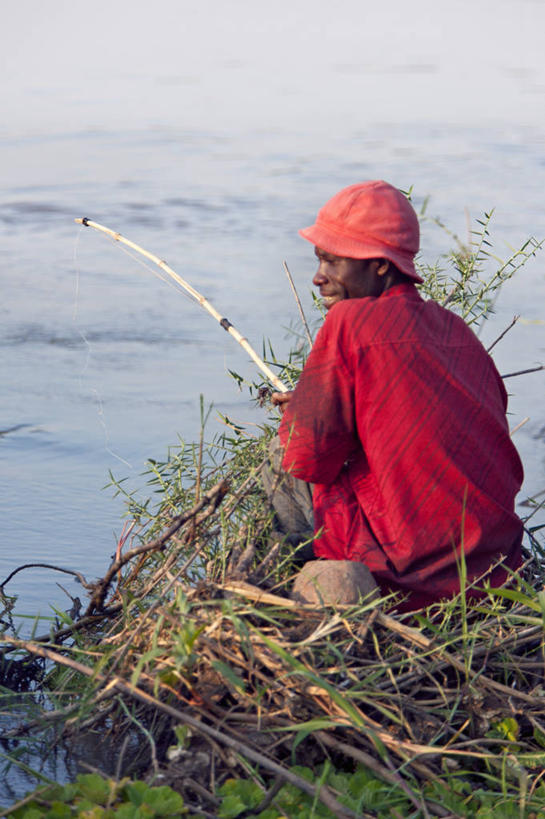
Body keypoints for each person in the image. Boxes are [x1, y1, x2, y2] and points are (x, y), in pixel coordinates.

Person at [269, 180, 524, 611]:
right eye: (319, 260)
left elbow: (305, 455)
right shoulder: (456, 330)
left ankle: (296, 574)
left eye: (332, 262)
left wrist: (302, 412)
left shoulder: (348, 321)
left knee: (279, 454)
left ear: (381, 266)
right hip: (494, 573)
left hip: (407, 578)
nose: (318, 277)